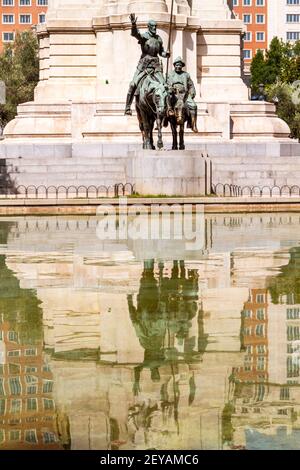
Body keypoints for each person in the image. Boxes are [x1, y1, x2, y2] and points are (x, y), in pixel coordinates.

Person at [124, 14, 170, 116]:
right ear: (149, 27)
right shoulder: (144, 37)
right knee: (132, 84)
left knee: (164, 86)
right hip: (143, 65)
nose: (154, 28)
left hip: (156, 66)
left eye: (155, 26)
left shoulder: (158, 39)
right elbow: (135, 34)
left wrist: (165, 54)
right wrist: (133, 24)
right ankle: (127, 107)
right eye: (152, 26)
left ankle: (168, 109)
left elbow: (161, 52)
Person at [167, 57, 198, 132]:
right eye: (177, 65)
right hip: (174, 94)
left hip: (184, 95)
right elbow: (166, 84)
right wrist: (169, 88)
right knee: (164, 104)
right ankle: (163, 121)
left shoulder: (186, 75)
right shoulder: (170, 74)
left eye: (180, 65)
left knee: (193, 106)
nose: (178, 66)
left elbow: (191, 85)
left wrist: (192, 92)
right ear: (174, 66)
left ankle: (193, 124)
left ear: (182, 66)